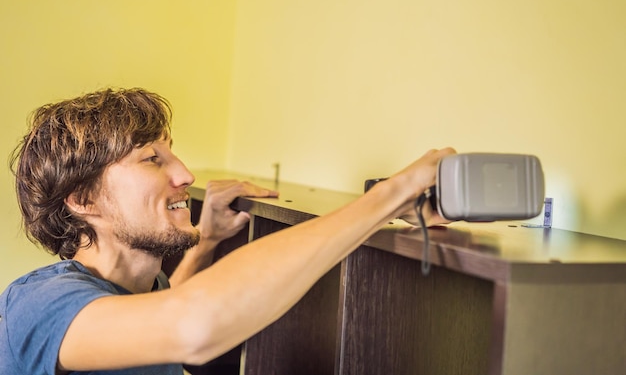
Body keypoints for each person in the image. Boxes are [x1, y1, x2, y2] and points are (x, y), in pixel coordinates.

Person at [0, 87, 455, 374]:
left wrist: (208, 240)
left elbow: (165, 311)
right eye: (152, 159)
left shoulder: (138, 290)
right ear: (83, 200)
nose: (184, 175)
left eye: (172, 153)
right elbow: (192, 324)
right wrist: (391, 195)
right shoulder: (41, 304)